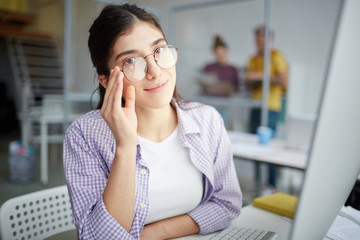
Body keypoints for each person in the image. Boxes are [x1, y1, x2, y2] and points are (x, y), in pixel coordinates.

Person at [63, 4, 242, 240]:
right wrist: (125, 147)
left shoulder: (206, 120)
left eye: (159, 50)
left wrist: (156, 233)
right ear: (106, 81)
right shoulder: (84, 135)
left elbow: (227, 203)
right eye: (131, 62)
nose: (155, 71)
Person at [245, 25, 289, 188]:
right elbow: (248, 82)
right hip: (255, 106)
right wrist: (255, 79)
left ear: (270, 40)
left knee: (269, 148)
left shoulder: (276, 57)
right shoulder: (253, 59)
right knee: (254, 146)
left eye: (261, 40)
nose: (258, 43)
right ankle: (258, 182)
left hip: (270, 107)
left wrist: (263, 76)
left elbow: (284, 82)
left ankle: (271, 185)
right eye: (256, 40)